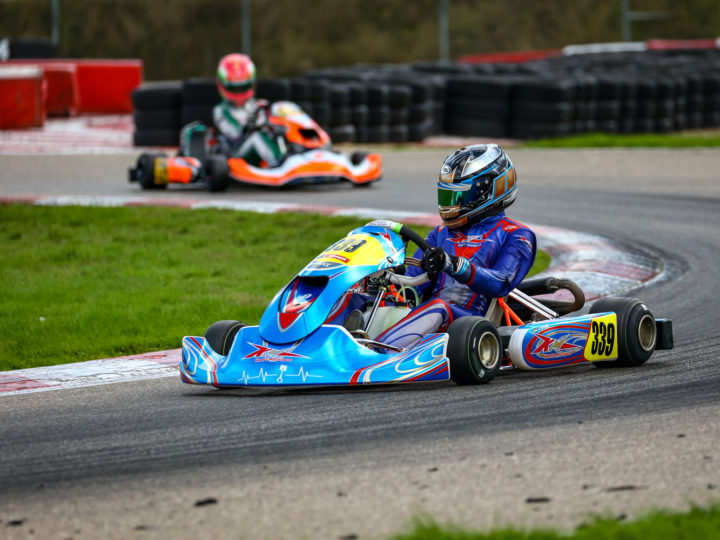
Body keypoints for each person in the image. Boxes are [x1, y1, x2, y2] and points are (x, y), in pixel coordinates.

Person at [336, 144, 537, 349]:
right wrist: (386, 278)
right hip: (427, 318)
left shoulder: (517, 235)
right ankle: (322, 346)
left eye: (458, 196)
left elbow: (501, 282)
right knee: (354, 298)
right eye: (447, 195)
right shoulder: (441, 234)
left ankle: (376, 352)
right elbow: (411, 287)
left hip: (472, 323)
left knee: (438, 307)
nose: (450, 204)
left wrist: (454, 265)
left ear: (487, 192)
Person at [182, 53, 285, 167]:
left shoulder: (260, 105)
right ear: (222, 85)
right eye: (234, 88)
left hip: (260, 152)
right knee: (257, 137)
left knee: (281, 132)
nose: (239, 91)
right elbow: (236, 136)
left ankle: (295, 157)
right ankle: (279, 164)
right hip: (234, 155)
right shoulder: (221, 111)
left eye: (244, 86)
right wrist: (253, 123)